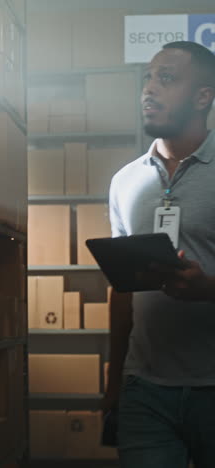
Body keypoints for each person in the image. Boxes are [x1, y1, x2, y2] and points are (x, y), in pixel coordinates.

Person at [105, 41, 215, 468]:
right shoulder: (124, 182)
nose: (149, 89)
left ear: (203, 97)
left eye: (166, 78)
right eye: (148, 77)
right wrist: (115, 381)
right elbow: (122, 291)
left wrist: (208, 289)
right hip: (144, 389)